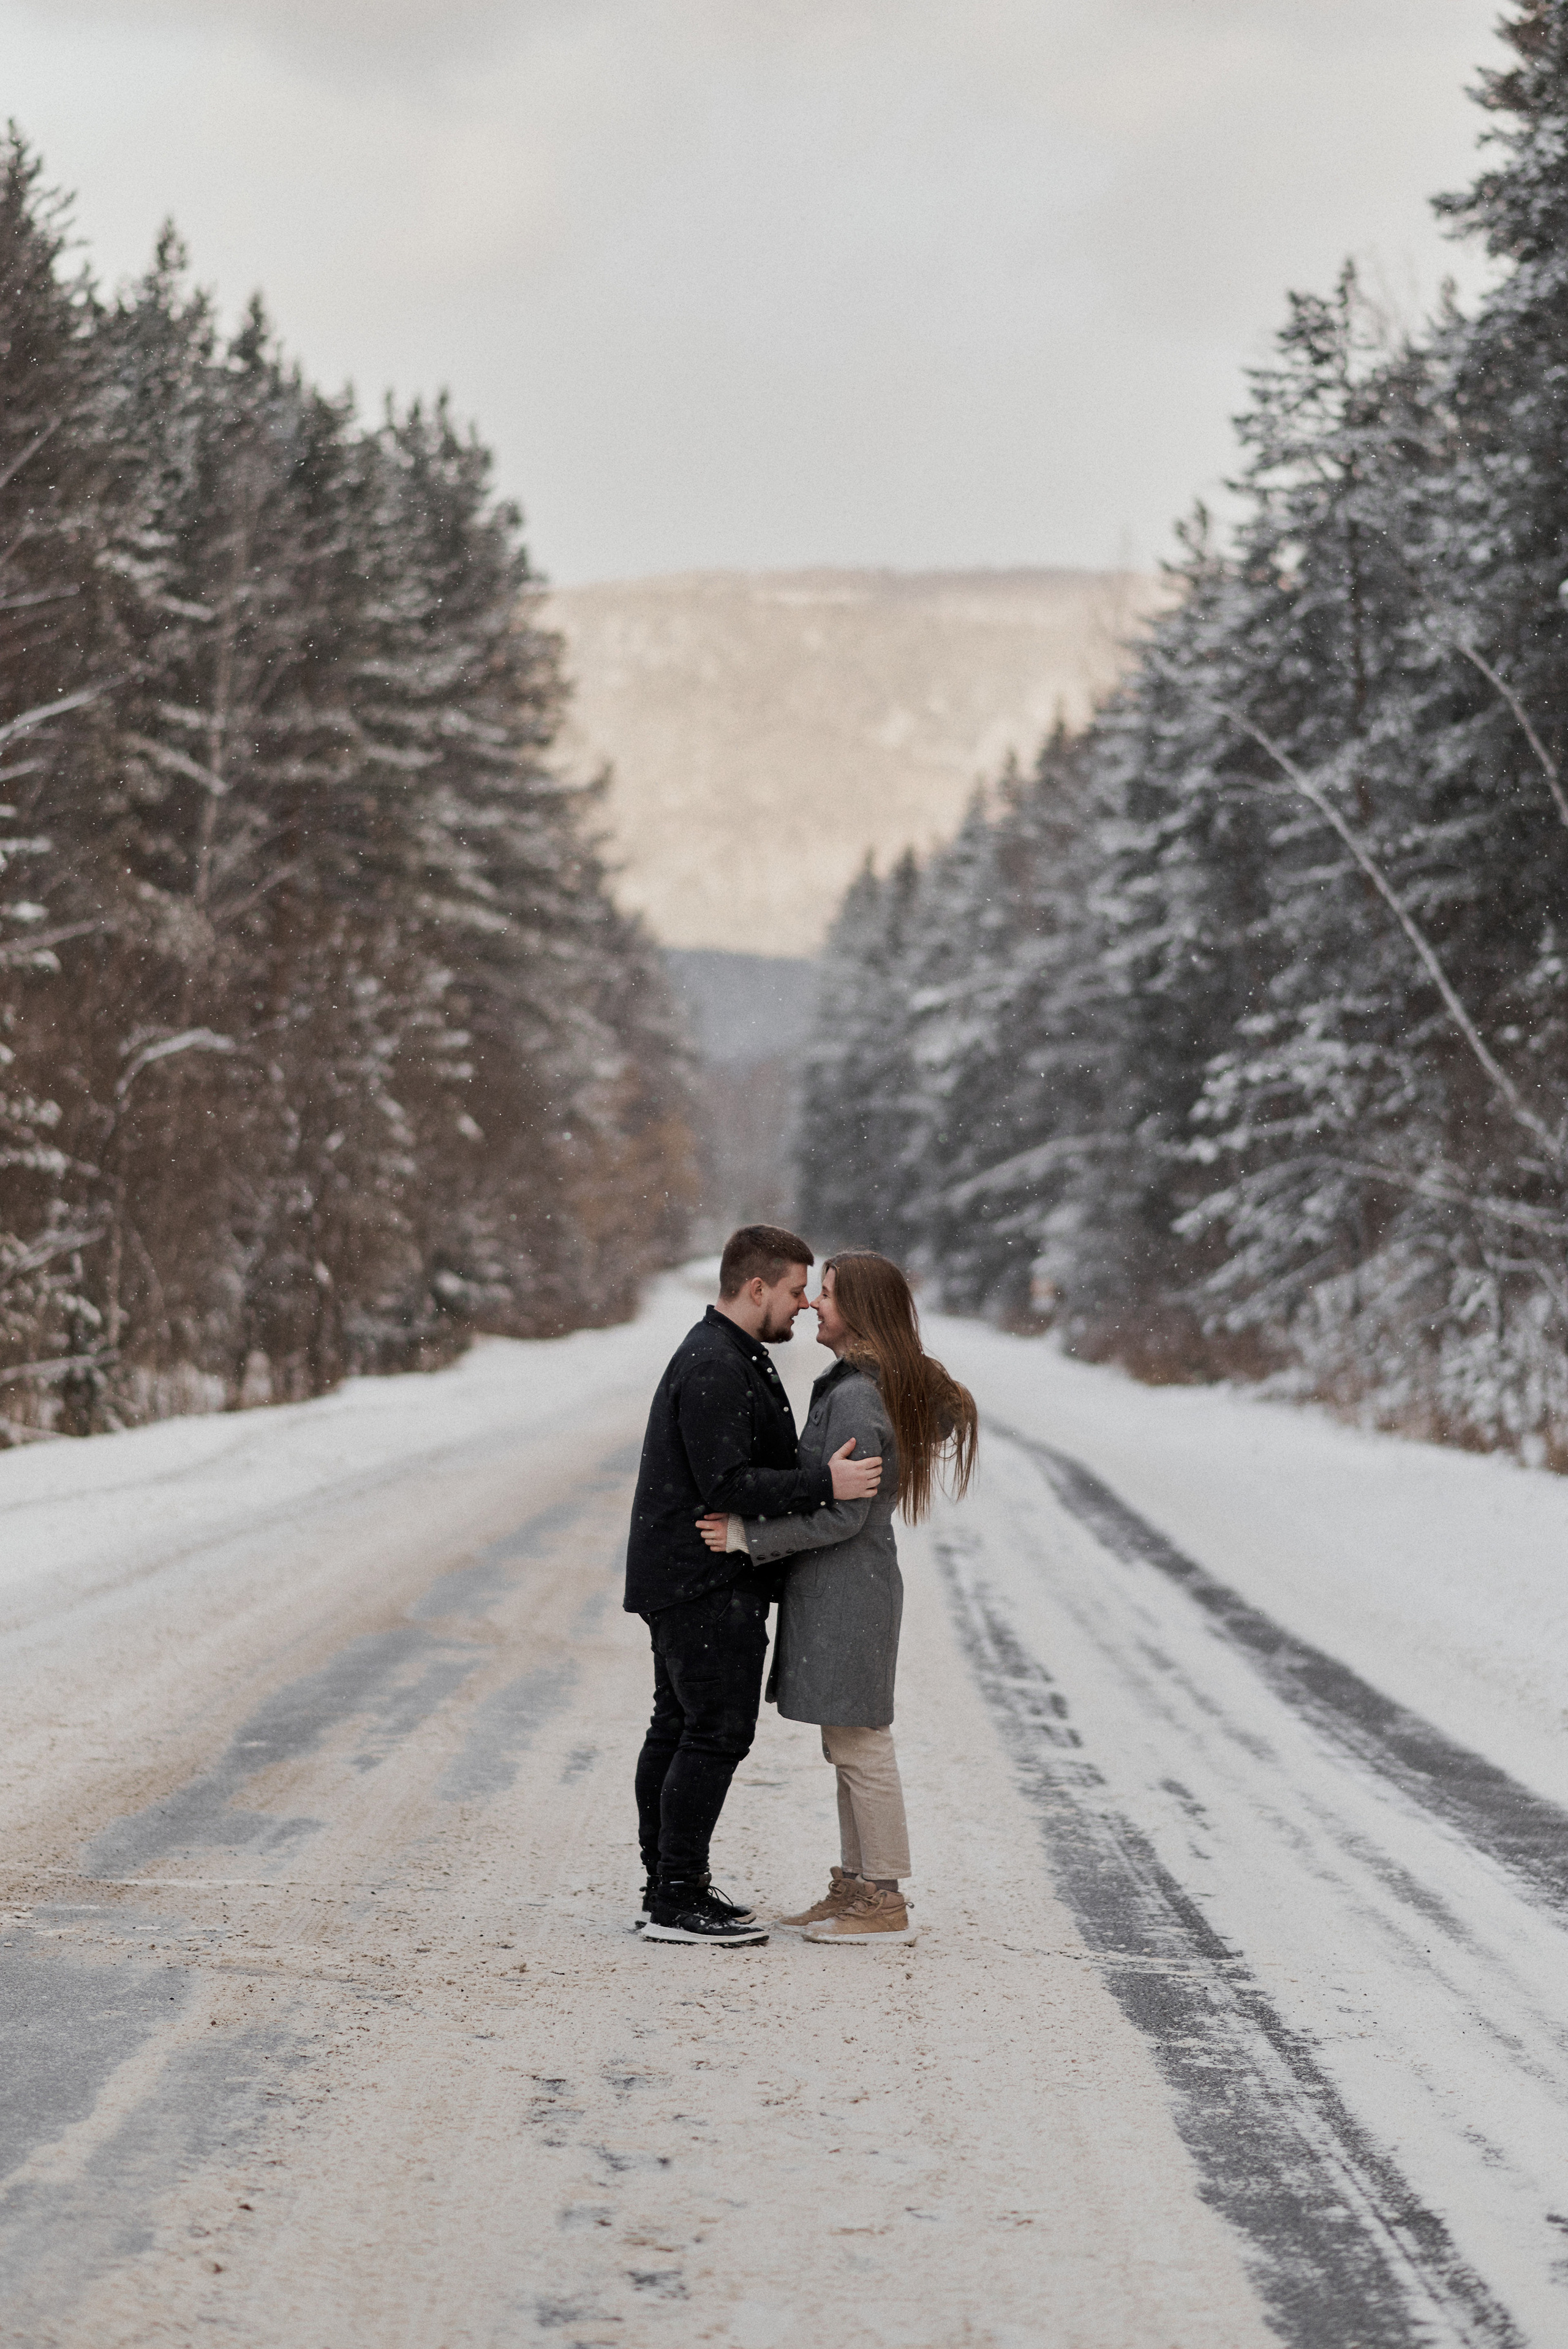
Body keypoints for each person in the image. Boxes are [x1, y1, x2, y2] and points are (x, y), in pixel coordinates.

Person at [698, 1249, 977, 1943]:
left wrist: (747, 1536)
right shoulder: (859, 1384)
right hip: (844, 1584)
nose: (814, 1305)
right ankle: (857, 1886)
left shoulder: (856, 1394)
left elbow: (845, 1513)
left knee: (861, 1742)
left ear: (860, 1310)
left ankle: (884, 1899)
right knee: (847, 1740)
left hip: (849, 1585)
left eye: (825, 1293)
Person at [626, 1224, 883, 1948]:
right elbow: (728, 1485)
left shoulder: (730, 1352)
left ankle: (667, 1885)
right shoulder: (715, 1362)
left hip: (689, 1576)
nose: (804, 1304)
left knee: (679, 1727)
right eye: (797, 1290)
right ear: (757, 1286)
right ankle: (676, 1897)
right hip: (703, 1579)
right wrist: (824, 1483)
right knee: (713, 1733)